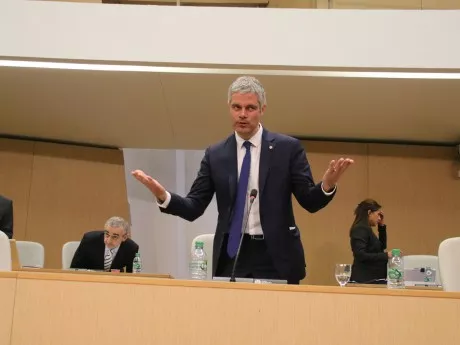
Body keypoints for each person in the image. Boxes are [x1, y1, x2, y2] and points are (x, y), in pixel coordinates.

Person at [132, 76, 353, 284]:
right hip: (232, 254)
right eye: (236, 107)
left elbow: (309, 201)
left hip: (275, 254)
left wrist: (327, 185)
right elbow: (194, 207)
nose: (242, 114)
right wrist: (163, 196)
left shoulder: (287, 149)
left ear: (262, 110)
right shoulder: (216, 154)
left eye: (250, 108)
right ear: (229, 108)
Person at [70, 216, 139, 273]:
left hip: (114, 283)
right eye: (107, 234)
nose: (108, 241)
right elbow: (74, 268)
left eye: (114, 237)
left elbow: (133, 275)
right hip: (89, 280)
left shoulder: (132, 248)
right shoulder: (89, 240)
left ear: (124, 237)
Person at [349, 199, 390, 284]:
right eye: (378, 214)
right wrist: (386, 255)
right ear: (369, 212)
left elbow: (382, 247)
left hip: (373, 278)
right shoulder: (360, 228)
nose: (379, 218)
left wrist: (381, 227)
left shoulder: (366, 229)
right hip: (365, 279)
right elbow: (361, 255)